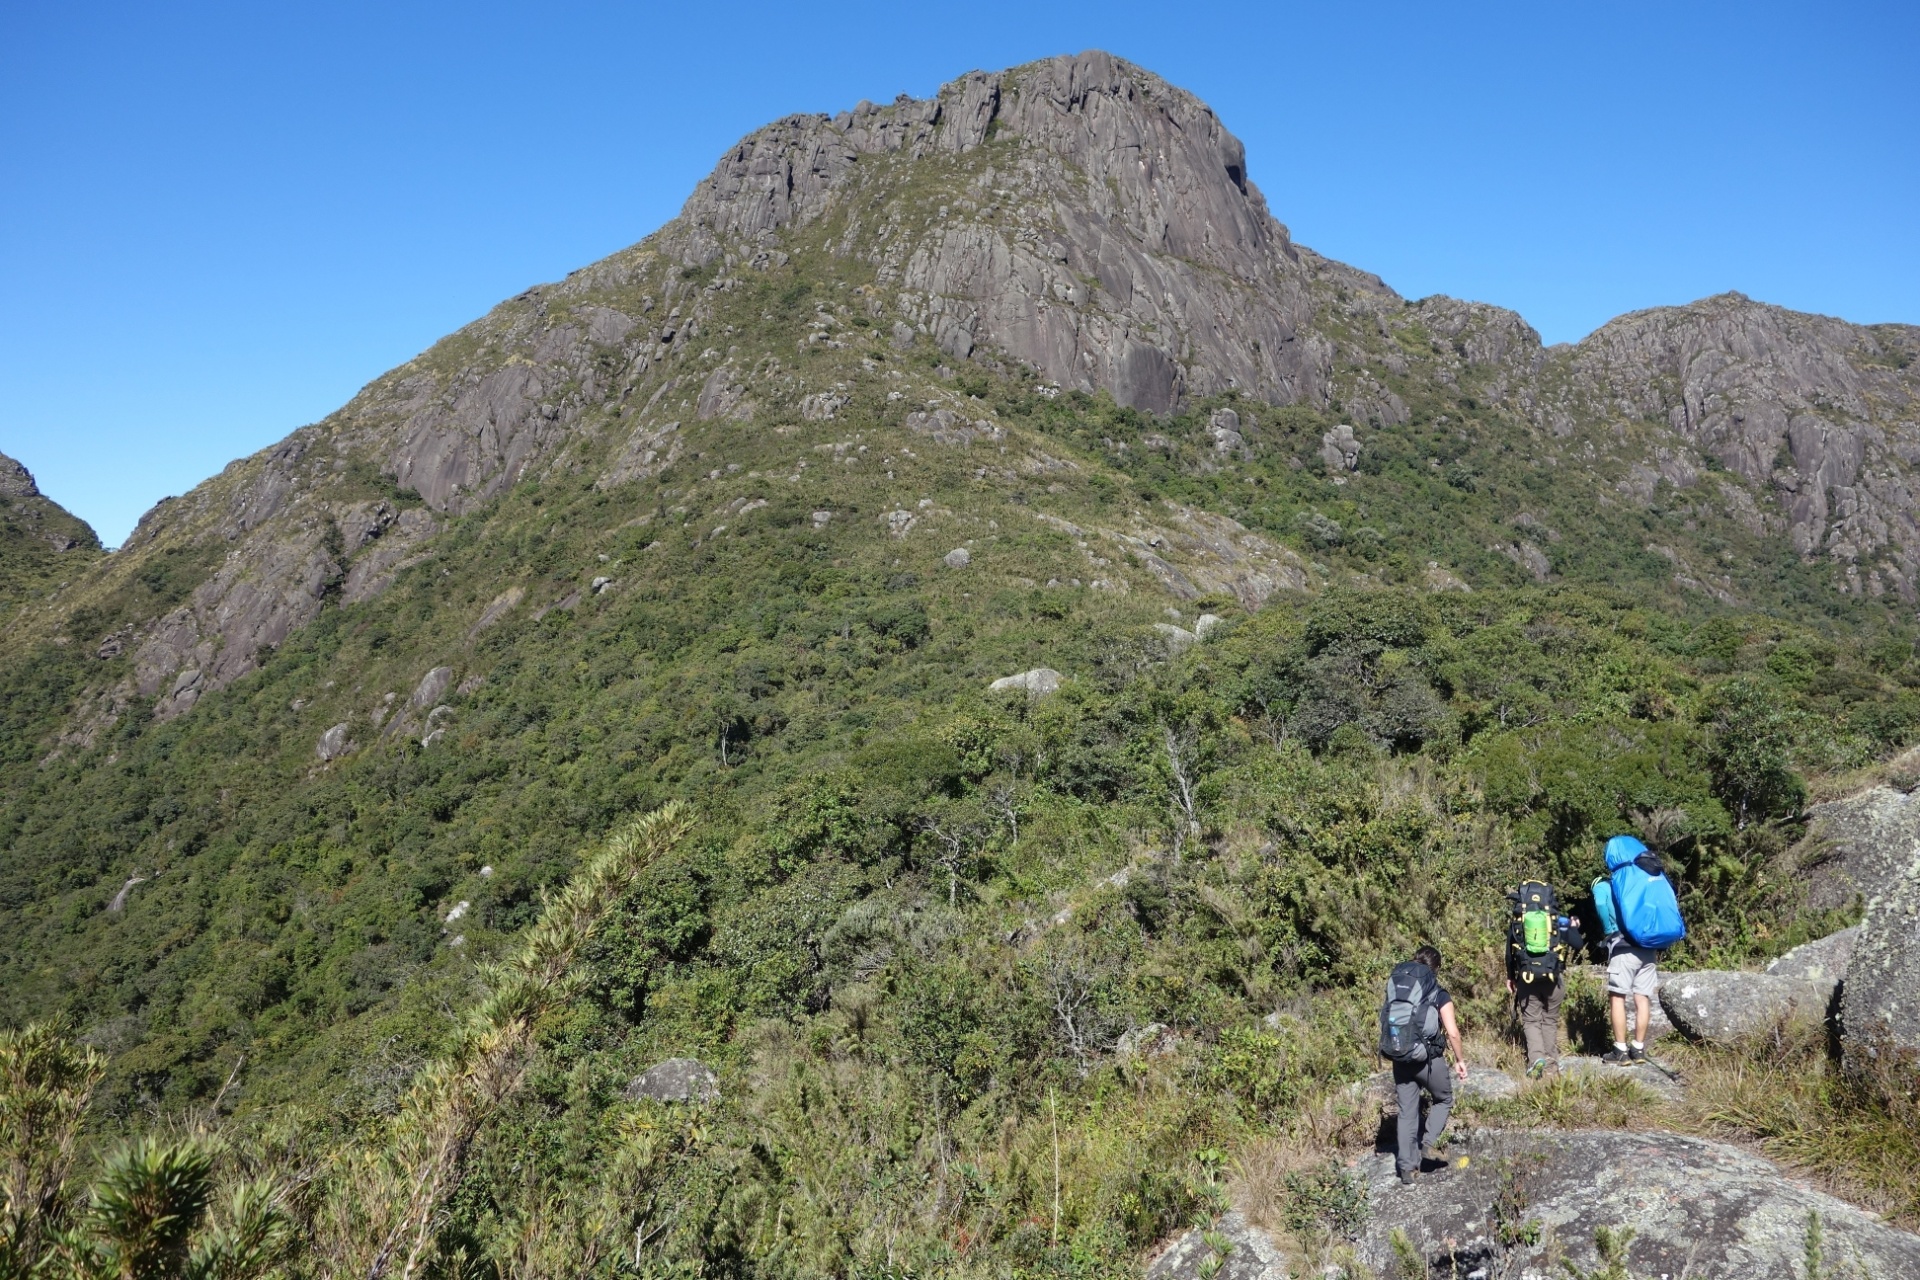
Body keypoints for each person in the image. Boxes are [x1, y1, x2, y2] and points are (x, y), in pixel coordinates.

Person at [1387, 944, 1468, 1186]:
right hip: (1428, 1060)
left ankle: (1407, 1171)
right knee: (1443, 1099)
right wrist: (1460, 1061)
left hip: (1401, 1057)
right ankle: (1428, 1144)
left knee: (1406, 1112)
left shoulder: (1400, 988)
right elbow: (1453, 1032)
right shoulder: (1438, 992)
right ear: (1436, 969)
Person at [1503, 882, 1584, 1078]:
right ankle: (1552, 1063)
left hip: (1526, 978)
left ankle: (1536, 1059)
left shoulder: (1519, 923)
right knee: (1549, 1020)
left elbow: (1509, 954)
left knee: (1531, 1021)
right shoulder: (1556, 921)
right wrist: (1572, 927)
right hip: (1553, 979)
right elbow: (1578, 944)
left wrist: (1510, 977)